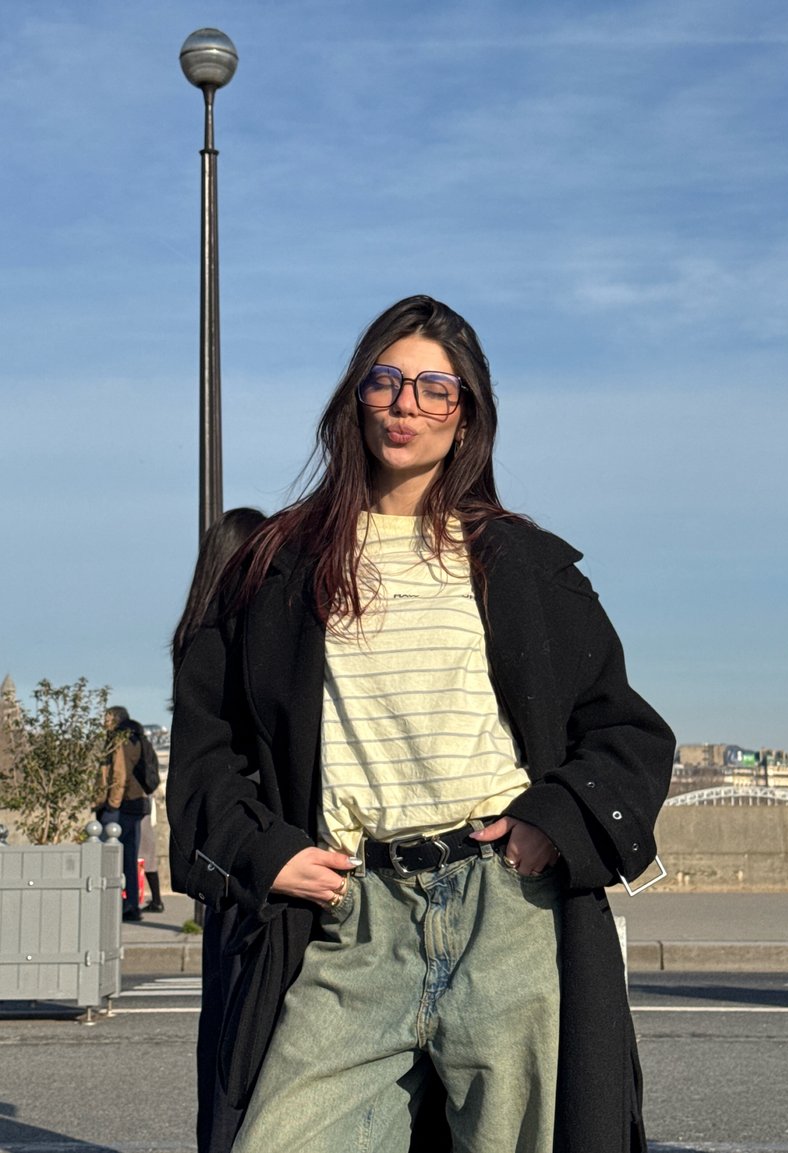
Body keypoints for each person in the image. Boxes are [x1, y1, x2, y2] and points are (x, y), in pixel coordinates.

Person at [167, 296, 675, 1153]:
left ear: (466, 413)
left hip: (504, 906)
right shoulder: (276, 563)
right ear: (356, 397)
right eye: (386, 381)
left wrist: (551, 823)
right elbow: (207, 741)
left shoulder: (522, 564)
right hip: (354, 913)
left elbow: (626, 730)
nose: (406, 404)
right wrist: (262, 851)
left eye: (435, 388)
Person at [171, 507, 267, 1153]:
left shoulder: (193, 636)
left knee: (225, 1027)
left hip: (222, 864)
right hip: (258, 851)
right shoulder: (243, 640)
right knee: (255, 1028)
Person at [102, 705, 149, 922]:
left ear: (116, 719)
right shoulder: (138, 737)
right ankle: (132, 904)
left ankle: (116, 904)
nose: (104, 722)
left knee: (111, 857)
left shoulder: (119, 740)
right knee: (129, 858)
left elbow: (118, 774)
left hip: (123, 804)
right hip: (139, 803)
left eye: (107, 718)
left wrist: (112, 804)